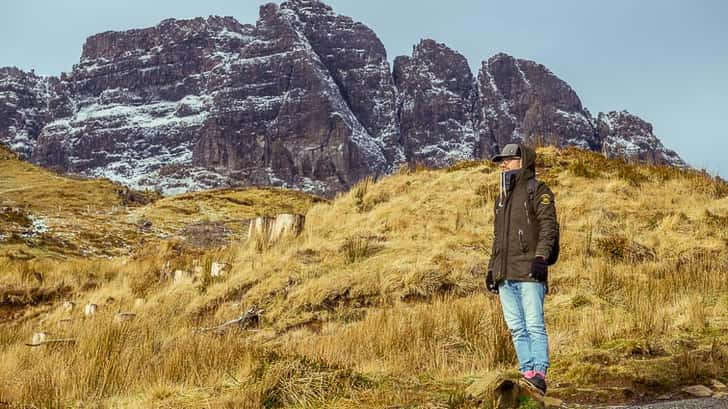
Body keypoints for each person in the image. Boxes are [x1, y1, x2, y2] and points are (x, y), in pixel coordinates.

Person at [485, 143, 559, 395]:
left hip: (529, 271)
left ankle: (539, 372)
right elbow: (498, 239)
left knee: (534, 324)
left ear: (523, 160)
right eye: (501, 160)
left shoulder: (537, 190)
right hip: (505, 274)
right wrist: (492, 270)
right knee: (516, 327)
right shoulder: (501, 198)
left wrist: (541, 257)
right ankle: (527, 372)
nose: (503, 163)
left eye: (509, 159)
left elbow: (549, 227)